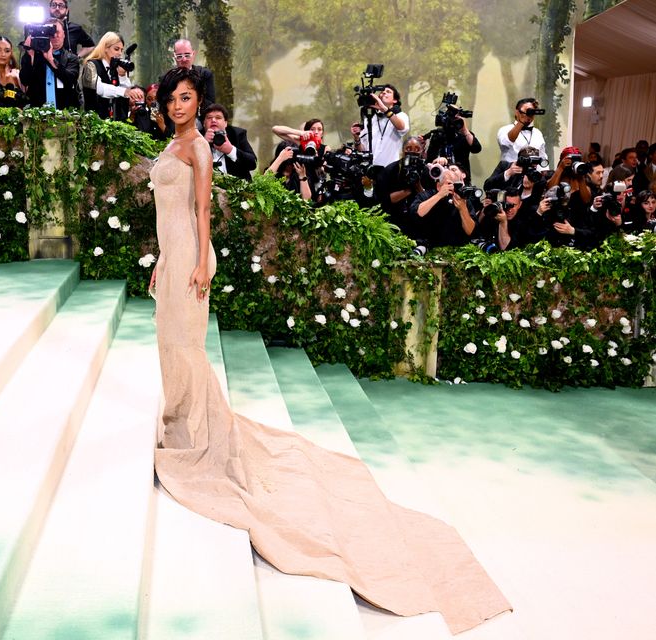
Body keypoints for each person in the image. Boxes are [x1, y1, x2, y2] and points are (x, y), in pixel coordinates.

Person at [148, 63, 510, 637]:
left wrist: (195, 262)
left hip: (193, 258)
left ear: (200, 102)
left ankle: (195, 430)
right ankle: (180, 417)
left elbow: (202, 210)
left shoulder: (197, 148)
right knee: (171, 343)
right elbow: (164, 215)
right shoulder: (171, 142)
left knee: (187, 346)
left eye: (187, 98)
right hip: (172, 259)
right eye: (172, 98)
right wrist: (164, 260)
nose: (178, 106)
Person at [408, 165, 477, 248]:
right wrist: (439, 195)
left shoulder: (463, 200)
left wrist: (463, 208)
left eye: (455, 185)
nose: (452, 188)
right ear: (438, 186)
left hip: (455, 249)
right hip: (428, 246)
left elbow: (470, 231)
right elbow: (417, 212)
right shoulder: (427, 195)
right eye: (449, 184)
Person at [19, 19, 80, 109]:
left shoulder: (71, 58)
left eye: (57, 32)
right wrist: (30, 56)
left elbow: (70, 79)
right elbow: (24, 80)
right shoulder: (32, 55)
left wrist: (51, 60)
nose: (55, 35)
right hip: (37, 113)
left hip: (65, 114)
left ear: (64, 34)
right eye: (50, 32)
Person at [374, 136, 429, 235]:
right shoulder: (390, 170)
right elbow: (384, 200)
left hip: (418, 220)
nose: (412, 152)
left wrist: (418, 185)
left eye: (417, 149)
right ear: (403, 150)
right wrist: (408, 190)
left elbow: (429, 200)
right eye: (408, 148)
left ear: (421, 151)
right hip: (393, 219)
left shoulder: (425, 171)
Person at [81, 32, 142, 120]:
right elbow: (99, 89)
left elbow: (125, 94)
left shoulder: (115, 67)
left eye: (121, 50)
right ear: (105, 48)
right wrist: (125, 91)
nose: (119, 53)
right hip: (95, 122)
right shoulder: (91, 65)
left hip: (116, 122)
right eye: (116, 49)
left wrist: (122, 75)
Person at [349, 84, 410, 168]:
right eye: (382, 92)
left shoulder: (401, 115)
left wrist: (384, 109)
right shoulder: (370, 119)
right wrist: (356, 138)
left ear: (395, 100)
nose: (384, 92)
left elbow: (402, 128)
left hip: (390, 170)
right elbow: (363, 150)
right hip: (371, 171)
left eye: (388, 92)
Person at [201, 103, 257, 181]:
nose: (213, 120)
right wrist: (203, 145)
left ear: (225, 123)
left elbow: (252, 164)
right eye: (209, 118)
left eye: (218, 117)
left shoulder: (237, 134)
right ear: (204, 123)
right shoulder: (197, 138)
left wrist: (231, 150)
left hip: (238, 190)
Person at [166, 38, 215, 110]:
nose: (184, 59)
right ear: (174, 57)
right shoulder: (167, 79)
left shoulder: (204, 74)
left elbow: (210, 104)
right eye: (179, 56)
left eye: (187, 55)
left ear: (193, 54)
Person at [496, 97, 546, 164]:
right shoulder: (505, 130)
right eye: (527, 111)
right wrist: (521, 122)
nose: (529, 115)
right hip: (511, 171)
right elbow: (506, 143)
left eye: (532, 112)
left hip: (532, 172)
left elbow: (542, 156)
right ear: (517, 112)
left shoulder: (537, 133)